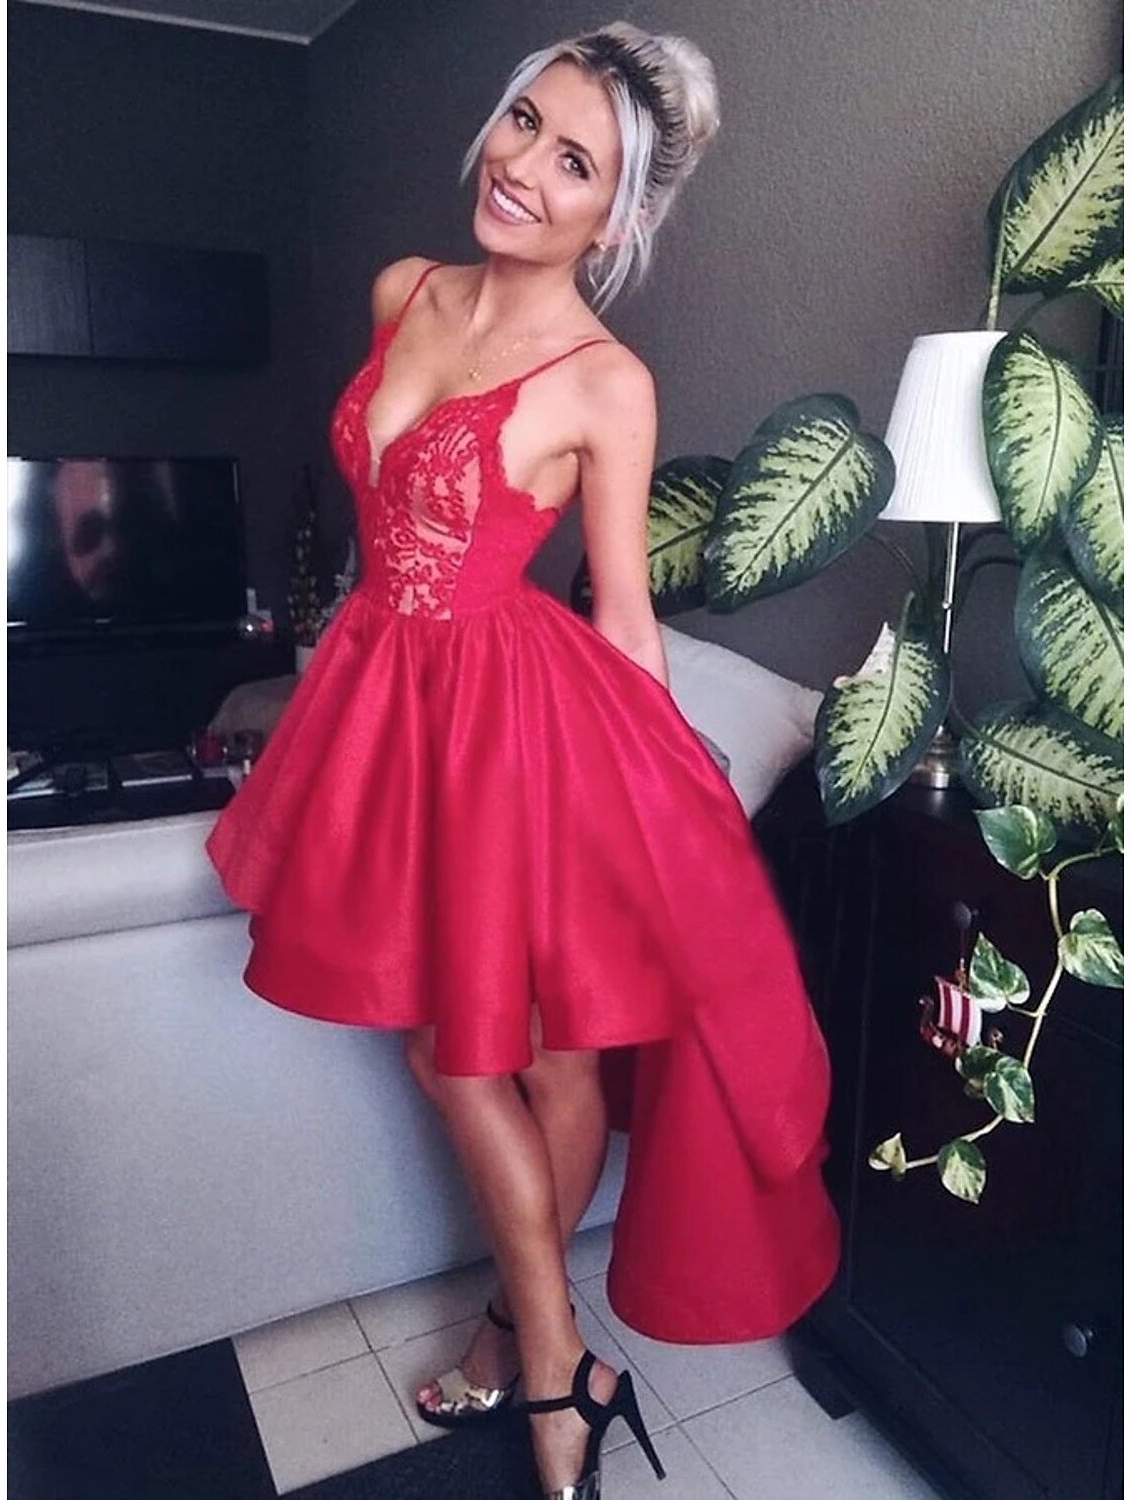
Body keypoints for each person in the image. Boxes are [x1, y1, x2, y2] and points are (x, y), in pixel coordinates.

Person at [207, 21, 839, 1499]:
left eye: (576, 165)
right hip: (383, 698)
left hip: (514, 728)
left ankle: (537, 1356)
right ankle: (547, 1352)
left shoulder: (608, 383)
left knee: (495, 1056)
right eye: (523, 125)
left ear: (614, 220)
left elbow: (623, 615)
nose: (525, 170)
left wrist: (666, 809)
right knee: (486, 1054)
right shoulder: (403, 291)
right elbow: (389, 523)